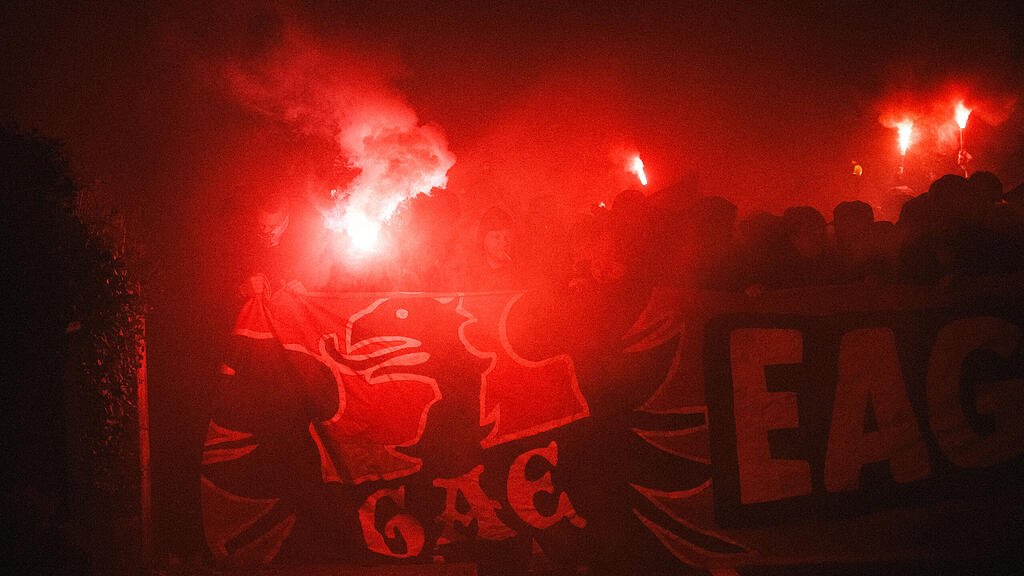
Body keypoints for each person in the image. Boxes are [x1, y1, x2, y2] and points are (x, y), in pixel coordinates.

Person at [462, 206, 519, 291]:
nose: (504, 243)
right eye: (497, 237)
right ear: (483, 239)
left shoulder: (519, 274)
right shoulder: (469, 275)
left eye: (507, 236)